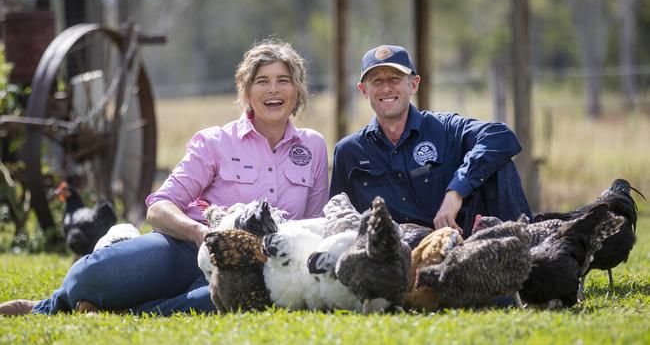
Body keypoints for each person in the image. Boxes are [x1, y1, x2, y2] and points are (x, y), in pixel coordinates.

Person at [0, 39, 329, 316]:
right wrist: (199, 233)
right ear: (246, 91)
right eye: (262, 80)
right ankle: (49, 304)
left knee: (223, 300)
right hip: (185, 249)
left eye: (283, 80)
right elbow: (158, 208)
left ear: (297, 89)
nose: (274, 89)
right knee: (93, 274)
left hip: (255, 267)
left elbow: (313, 225)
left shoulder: (313, 146)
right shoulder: (215, 141)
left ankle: (128, 313)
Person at [330, 44, 531, 237]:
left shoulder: (445, 129)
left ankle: (523, 253)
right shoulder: (349, 152)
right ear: (364, 90)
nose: (386, 89)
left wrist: (456, 192)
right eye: (377, 81)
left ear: (413, 84)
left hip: (455, 249)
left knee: (498, 164)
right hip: (388, 260)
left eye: (395, 78)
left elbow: (500, 136)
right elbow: (337, 218)